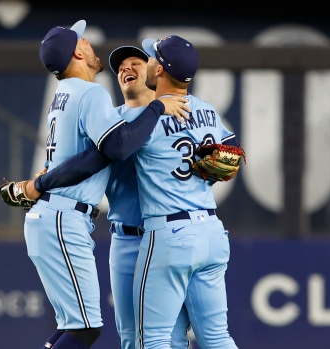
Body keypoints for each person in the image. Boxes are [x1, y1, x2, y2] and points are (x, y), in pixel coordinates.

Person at [22, 20, 190, 349]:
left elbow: (89, 159)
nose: (88, 43)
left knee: (76, 325)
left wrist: (39, 183)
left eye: (135, 63)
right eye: (82, 39)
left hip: (61, 215)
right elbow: (117, 146)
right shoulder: (93, 95)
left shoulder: (65, 94)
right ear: (77, 52)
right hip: (69, 219)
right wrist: (157, 106)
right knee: (87, 329)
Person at [131, 35, 240, 349]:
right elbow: (232, 161)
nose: (147, 61)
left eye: (152, 56)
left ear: (161, 70)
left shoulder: (146, 117)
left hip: (170, 234)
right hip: (210, 231)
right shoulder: (207, 110)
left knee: (152, 340)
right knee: (217, 337)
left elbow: (114, 147)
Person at [106, 45, 191, 349]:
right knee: (131, 336)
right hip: (127, 239)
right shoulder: (108, 121)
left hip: (170, 236)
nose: (125, 68)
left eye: (134, 63)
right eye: (120, 67)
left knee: (172, 336)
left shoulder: (180, 113)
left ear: (155, 71)